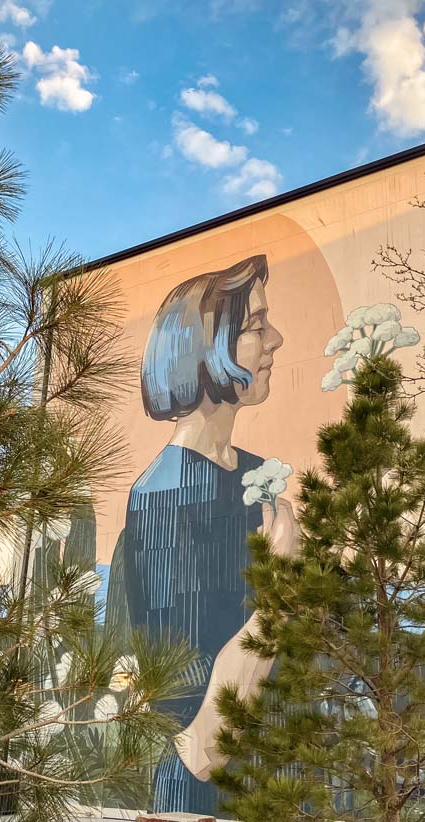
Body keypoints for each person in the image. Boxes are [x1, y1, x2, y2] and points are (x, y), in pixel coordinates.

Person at [122, 254, 298, 815]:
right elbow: (202, 740)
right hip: (202, 797)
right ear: (204, 353)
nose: (276, 339)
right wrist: (282, 592)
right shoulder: (165, 496)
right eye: (254, 327)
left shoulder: (253, 476)